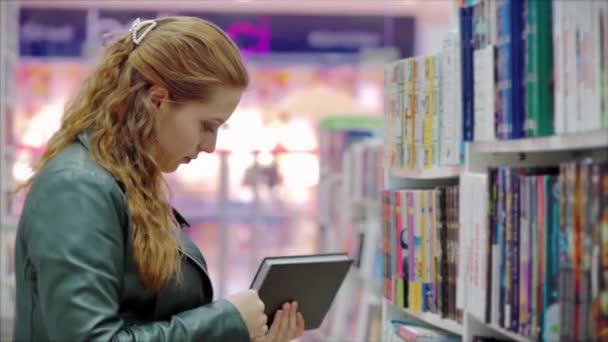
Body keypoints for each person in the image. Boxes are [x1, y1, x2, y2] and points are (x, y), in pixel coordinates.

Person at [12, 16, 305, 342]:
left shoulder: (127, 182)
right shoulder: (78, 189)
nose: (210, 146)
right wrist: (227, 322)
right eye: (206, 126)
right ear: (157, 100)